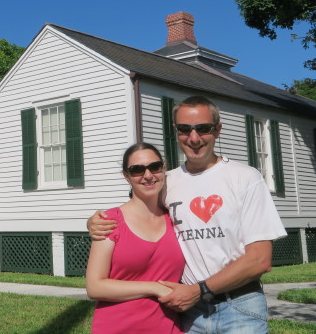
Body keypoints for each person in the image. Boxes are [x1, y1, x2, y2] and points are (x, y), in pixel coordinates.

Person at [87, 96, 287, 333]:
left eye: (203, 128)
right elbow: (138, 208)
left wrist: (200, 290)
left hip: (239, 306)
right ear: (176, 131)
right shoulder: (166, 182)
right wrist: (94, 221)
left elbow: (259, 260)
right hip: (189, 313)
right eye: (185, 129)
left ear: (218, 129)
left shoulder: (245, 178)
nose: (194, 138)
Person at [86, 142, 185, 334]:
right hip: (117, 328)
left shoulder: (176, 219)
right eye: (137, 170)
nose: (148, 176)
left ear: (163, 169)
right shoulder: (110, 221)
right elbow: (94, 286)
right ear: (127, 176)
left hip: (168, 328)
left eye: (154, 167)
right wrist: (154, 288)